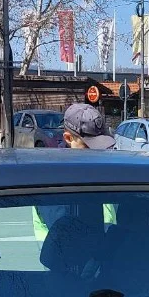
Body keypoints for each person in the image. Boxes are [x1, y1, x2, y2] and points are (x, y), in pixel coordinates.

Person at [33, 103, 116, 241]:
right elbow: (67, 239)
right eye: (88, 146)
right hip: (70, 260)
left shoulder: (94, 171)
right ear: (68, 139)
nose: (97, 153)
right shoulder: (54, 182)